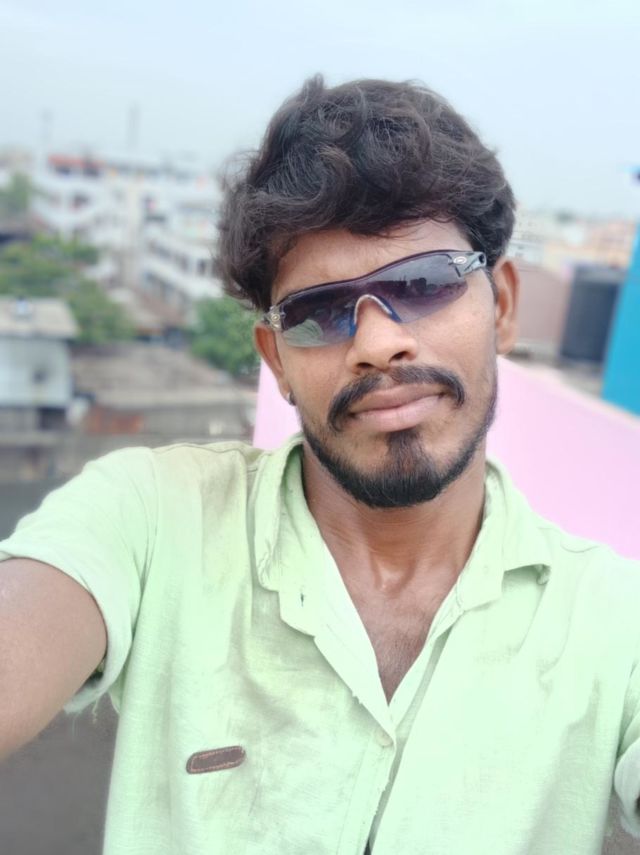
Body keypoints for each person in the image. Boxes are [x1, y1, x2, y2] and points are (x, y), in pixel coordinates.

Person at [0, 75, 639, 855]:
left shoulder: (615, 623)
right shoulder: (153, 518)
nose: (377, 343)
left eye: (425, 282)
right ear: (275, 358)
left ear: (502, 304)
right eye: (319, 312)